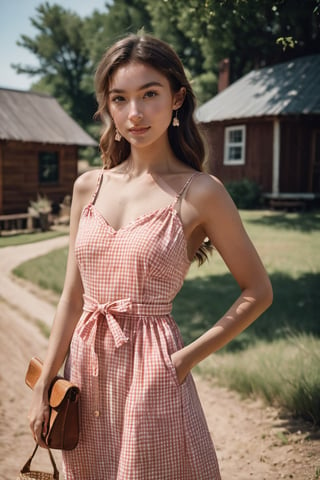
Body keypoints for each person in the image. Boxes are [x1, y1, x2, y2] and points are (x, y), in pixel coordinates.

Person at [29, 33, 273, 479]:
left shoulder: (201, 192)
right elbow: (72, 297)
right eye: (119, 99)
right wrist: (47, 378)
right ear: (107, 106)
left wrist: (183, 360)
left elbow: (258, 291)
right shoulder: (89, 186)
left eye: (149, 94)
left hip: (153, 369)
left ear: (177, 98)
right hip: (85, 366)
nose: (134, 113)